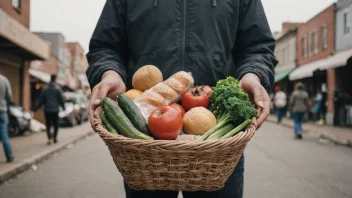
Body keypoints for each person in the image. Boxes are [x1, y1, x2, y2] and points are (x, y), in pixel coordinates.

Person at [86, 0, 277, 197]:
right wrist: (109, 73)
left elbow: (257, 47)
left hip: (217, 145)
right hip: (143, 146)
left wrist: (254, 74)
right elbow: (105, 47)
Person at [33, 75, 65, 145]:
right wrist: (63, 107)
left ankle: (49, 138)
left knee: (48, 125)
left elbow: (41, 101)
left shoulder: (45, 89)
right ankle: (55, 137)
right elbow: (61, 100)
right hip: (55, 110)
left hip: (47, 110)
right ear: (55, 80)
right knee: (56, 125)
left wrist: (36, 108)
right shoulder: (58, 89)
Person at [0, 74, 14, 163]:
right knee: (4, 134)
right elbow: (9, 96)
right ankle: (9, 156)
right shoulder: (4, 79)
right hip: (2, 111)